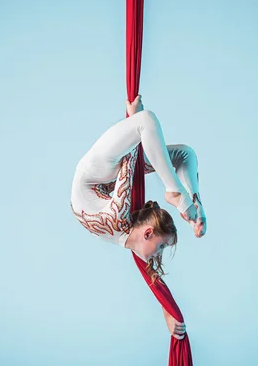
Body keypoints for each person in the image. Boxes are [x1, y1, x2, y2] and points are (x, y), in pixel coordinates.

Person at [70, 95, 206, 340]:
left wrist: (132, 118)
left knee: (145, 121)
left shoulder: (118, 218)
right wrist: (196, 208)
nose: (159, 254)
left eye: (161, 247)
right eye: (162, 246)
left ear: (147, 233)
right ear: (148, 233)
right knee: (184, 154)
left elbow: (129, 158)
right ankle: (185, 197)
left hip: (93, 174)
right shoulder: (133, 235)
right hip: (109, 180)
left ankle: (175, 192)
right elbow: (154, 279)